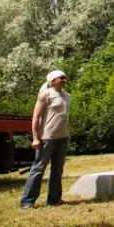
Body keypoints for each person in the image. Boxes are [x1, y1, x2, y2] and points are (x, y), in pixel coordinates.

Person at [19, 69, 71, 209]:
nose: (64, 79)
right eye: (61, 77)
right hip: (47, 138)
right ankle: (27, 202)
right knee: (38, 169)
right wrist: (36, 138)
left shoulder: (67, 96)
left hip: (62, 138)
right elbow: (36, 117)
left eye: (64, 77)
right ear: (53, 81)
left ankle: (54, 200)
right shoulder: (46, 95)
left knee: (57, 170)